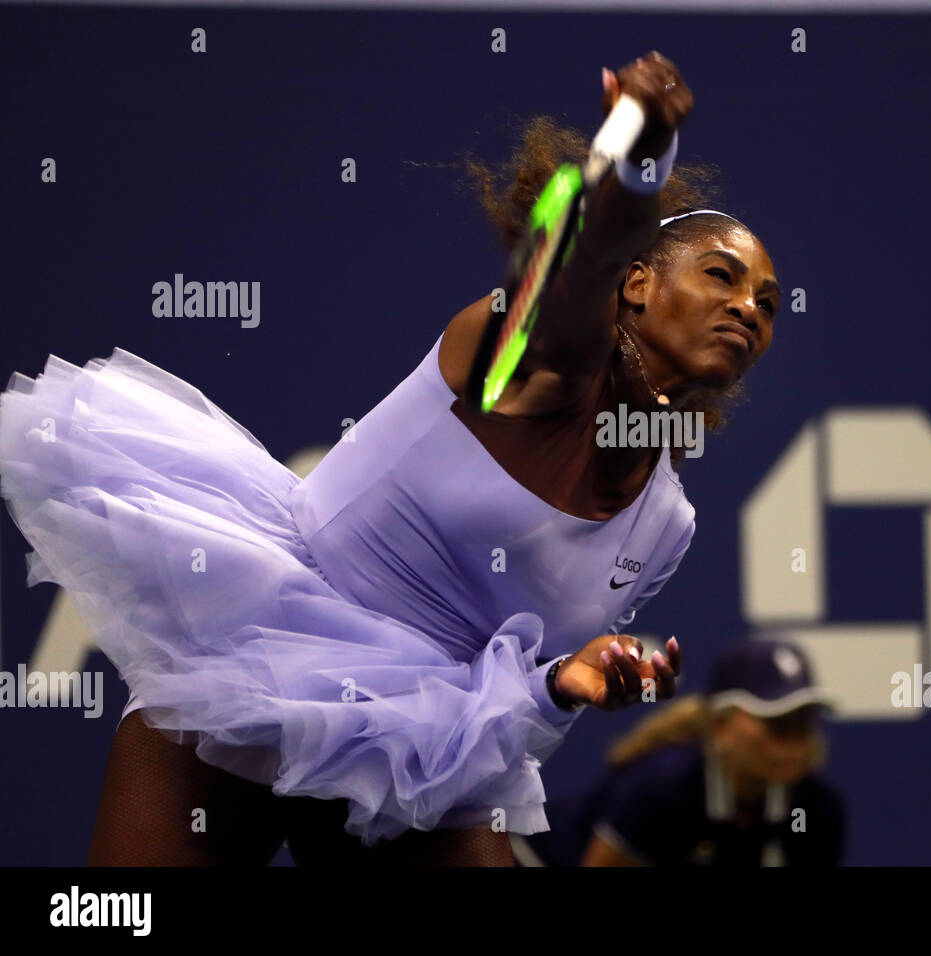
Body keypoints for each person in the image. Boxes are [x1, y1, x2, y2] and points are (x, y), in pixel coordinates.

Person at [0, 51, 783, 865]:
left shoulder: (666, 524)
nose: (747, 308)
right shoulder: (515, 358)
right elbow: (575, 257)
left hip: (417, 755)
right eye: (722, 276)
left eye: (765, 304)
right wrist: (639, 152)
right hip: (256, 676)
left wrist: (568, 682)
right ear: (635, 284)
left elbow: (506, 697)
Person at [514, 639, 844, 867]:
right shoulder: (662, 788)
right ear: (720, 726)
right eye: (775, 722)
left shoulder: (818, 810)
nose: (793, 739)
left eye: (802, 722)